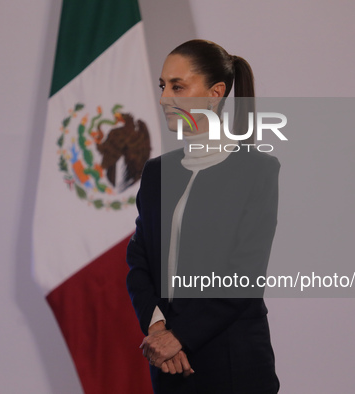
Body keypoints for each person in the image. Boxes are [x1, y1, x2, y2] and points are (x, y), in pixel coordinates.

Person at [126, 39, 280, 394]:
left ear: (215, 93)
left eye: (178, 86)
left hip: (234, 362)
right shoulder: (156, 172)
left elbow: (244, 273)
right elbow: (139, 259)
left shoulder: (256, 170)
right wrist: (157, 328)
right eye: (163, 86)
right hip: (168, 363)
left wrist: (180, 337)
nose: (165, 98)